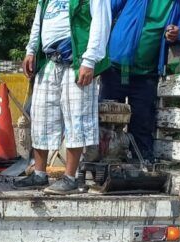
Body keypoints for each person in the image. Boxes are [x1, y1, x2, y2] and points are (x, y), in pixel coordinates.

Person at [14, 0, 112, 194]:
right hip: (49, 61)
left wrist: (90, 60)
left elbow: (101, 22)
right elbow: (38, 21)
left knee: (77, 119)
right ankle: (40, 174)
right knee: (40, 118)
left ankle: (70, 178)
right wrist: (31, 50)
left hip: (76, 62)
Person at [101, 0, 180, 161]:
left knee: (142, 124)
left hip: (147, 72)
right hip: (116, 67)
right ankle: (102, 169)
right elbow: (106, 10)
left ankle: (141, 171)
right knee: (106, 121)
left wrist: (176, 33)